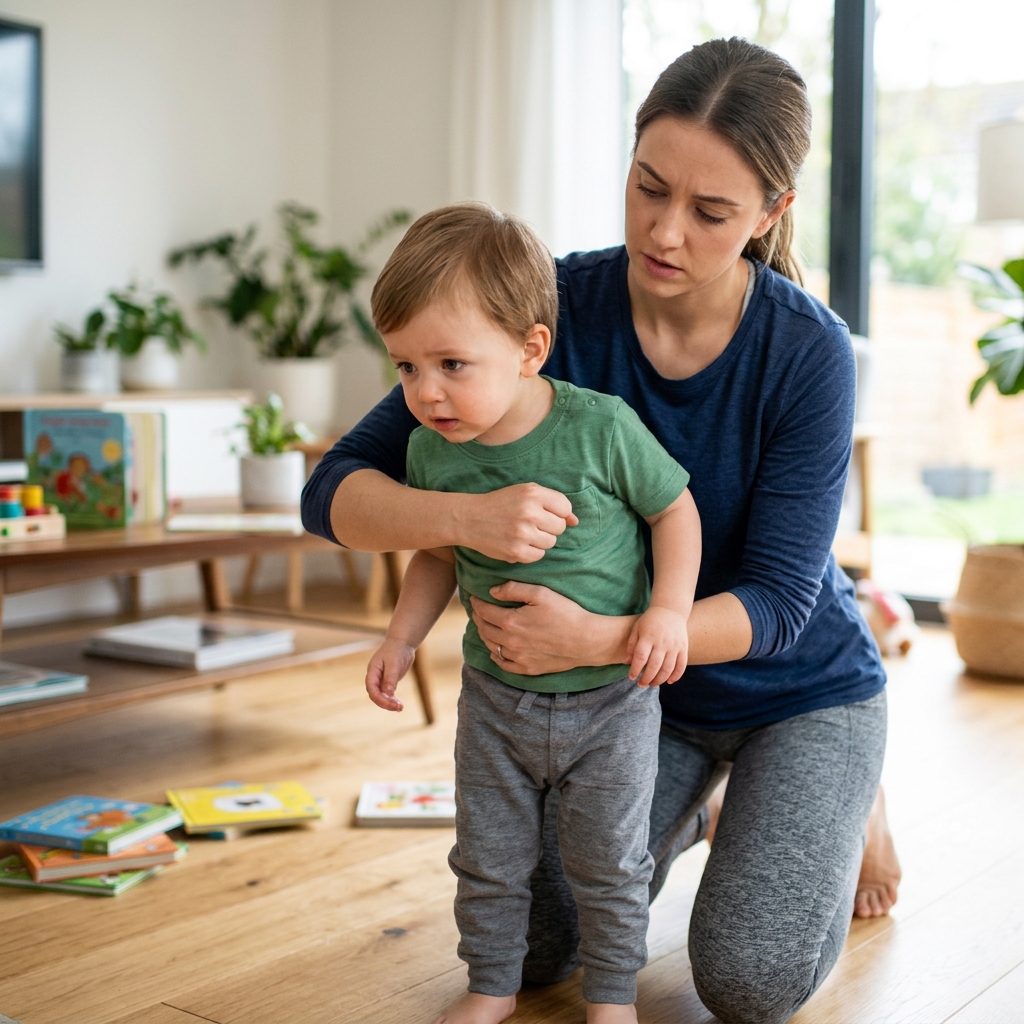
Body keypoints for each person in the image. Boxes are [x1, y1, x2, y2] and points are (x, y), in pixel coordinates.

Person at [302, 36, 901, 1024]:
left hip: (797, 687)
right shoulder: (546, 307)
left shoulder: (806, 350)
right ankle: (708, 805)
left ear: (769, 213)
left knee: (747, 981)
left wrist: (597, 636)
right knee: (535, 947)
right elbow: (332, 490)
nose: (664, 232)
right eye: (647, 187)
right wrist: (464, 516)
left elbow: (784, 601)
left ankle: (838, 790)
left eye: (709, 213)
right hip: (621, 706)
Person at [362, 203, 701, 1024]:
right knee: (486, 857)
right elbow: (437, 552)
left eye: (450, 363)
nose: (426, 392)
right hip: (495, 703)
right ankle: (491, 986)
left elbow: (676, 510)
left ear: (529, 349)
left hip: (611, 703)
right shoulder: (428, 449)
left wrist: (667, 613)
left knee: (609, 864)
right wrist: (403, 635)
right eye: (406, 368)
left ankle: (612, 997)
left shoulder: (601, 429)